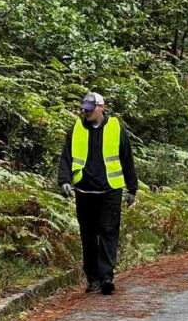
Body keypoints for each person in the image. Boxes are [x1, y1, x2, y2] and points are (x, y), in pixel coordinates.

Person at [58, 92, 138, 295]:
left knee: (108, 232)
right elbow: (66, 157)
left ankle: (107, 278)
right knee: (88, 235)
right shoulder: (75, 129)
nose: (86, 112)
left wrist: (132, 188)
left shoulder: (116, 128)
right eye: (84, 108)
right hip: (84, 191)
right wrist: (65, 181)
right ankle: (92, 278)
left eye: (90, 108)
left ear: (101, 107)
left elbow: (127, 158)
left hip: (110, 190)